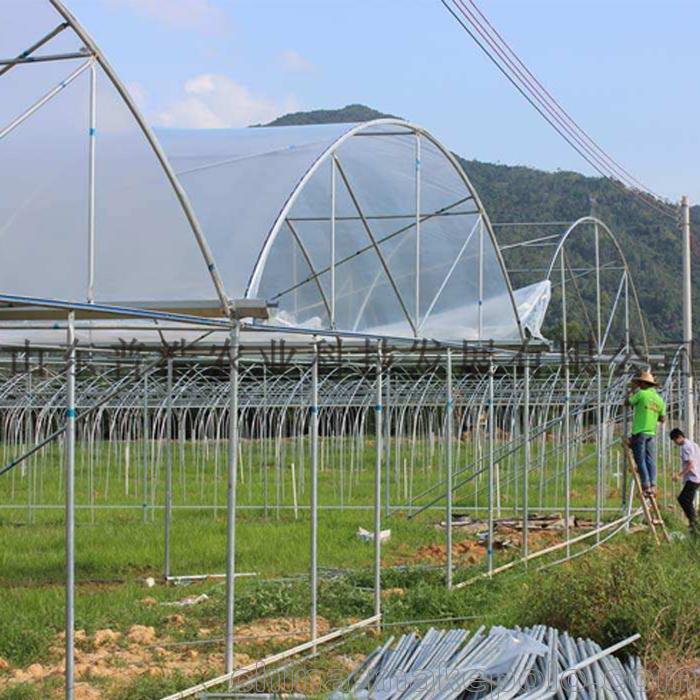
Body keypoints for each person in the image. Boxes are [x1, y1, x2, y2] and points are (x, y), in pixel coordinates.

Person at [627, 370, 665, 497]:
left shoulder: (641, 394)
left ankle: (646, 485)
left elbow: (628, 402)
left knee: (640, 459)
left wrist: (631, 392)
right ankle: (653, 485)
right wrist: (653, 415)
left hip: (639, 431)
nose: (639, 385)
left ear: (643, 384)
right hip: (652, 432)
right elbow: (663, 419)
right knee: (651, 460)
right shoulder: (659, 400)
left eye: (639, 383)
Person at [670, 428, 700, 532]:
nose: (675, 443)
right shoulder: (693, 444)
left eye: (674, 440)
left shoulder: (685, 447)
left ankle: (694, 524)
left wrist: (679, 475)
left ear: (678, 437)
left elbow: (690, 465)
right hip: (697, 476)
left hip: (693, 478)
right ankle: (693, 522)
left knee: (684, 500)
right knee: (687, 500)